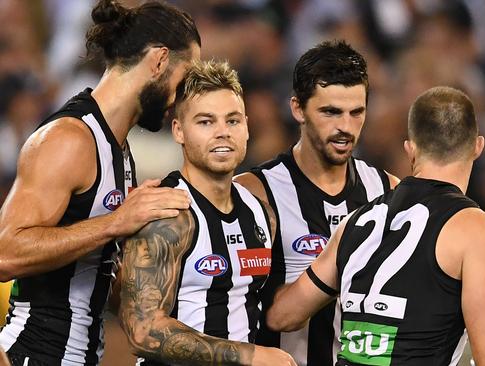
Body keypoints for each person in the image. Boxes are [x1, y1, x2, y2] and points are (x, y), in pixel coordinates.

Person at [265, 86, 485, 365]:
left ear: (410, 149)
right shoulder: (477, 229)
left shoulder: (355, 222)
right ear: (478, 146)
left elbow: (283, 315)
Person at [0, 1, 201, 364]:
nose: (180, 96)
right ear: (158, 60)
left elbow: (92, 281)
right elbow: (5, 252)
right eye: (183, 77)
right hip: (36, 354)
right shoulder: (69, 138)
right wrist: (116, 223)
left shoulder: (120, 150)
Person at [118, 60, 296, 366]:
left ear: (247, 126)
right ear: (179, 130)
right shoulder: (167, 212)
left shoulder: (261, 214)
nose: (222, 133)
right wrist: (250, 356)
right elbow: (143, 332)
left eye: (232, 121)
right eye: (205, 122)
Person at [234, 40, 399, 365]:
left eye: (357, 112)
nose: (345, 128)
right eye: (330, 112)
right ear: (297, 109)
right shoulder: (256, 192)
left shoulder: (387, 190)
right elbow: (260, 312)